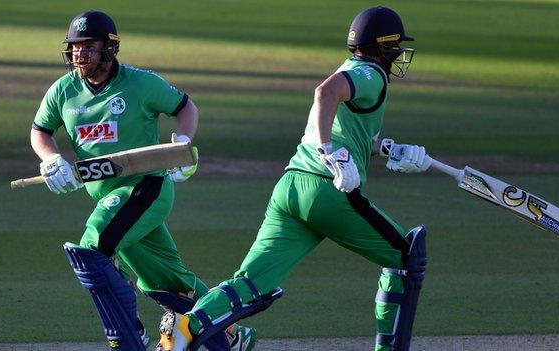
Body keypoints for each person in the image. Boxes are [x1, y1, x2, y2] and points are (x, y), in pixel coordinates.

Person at [154, 6, 432, 351]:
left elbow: (348, 127)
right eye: (395, 46)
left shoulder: (351, 69)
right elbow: (325, 92)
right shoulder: (371, 74)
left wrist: (388, 148)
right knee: (406, 259)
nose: (398, 54)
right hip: (326, 191)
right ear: (383, 46)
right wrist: (330, 151)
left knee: (252, 282)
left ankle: (186, 328)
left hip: (290, 189)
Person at [30, 10, 256, 351]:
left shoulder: (140, 83)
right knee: (165, 282)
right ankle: (232, 338)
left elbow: (186, 108)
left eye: (88, 47)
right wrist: (51, 159)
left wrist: (182, 143)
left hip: (145, 187)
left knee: (91, 251)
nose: (79, 54)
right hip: (107, 193)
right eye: (75, 47)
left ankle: (128, 334)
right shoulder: (64, 90)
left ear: (110, 48)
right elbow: (40, 131)